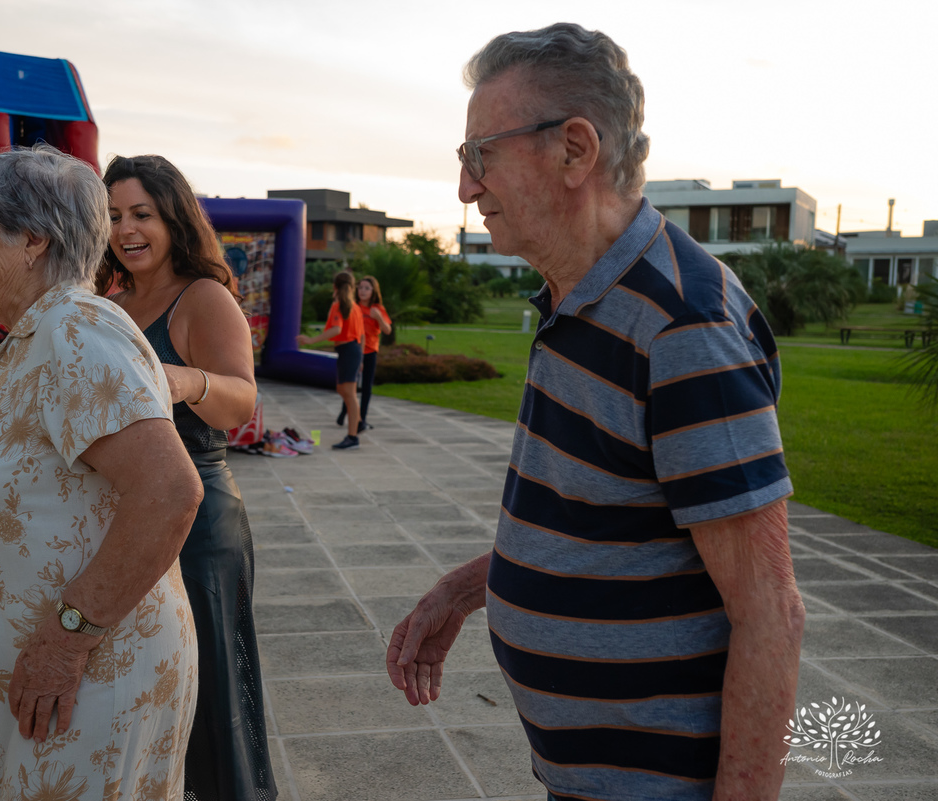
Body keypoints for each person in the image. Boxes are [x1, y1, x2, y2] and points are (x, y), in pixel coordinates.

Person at [387, 23, 805, 801]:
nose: (466, 189)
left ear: (575, 150)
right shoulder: (578, 300)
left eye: (480, 156)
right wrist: (467, 587)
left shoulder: (683, 327)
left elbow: (770, 613)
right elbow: (607, 524)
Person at [0, 145, 204, 800]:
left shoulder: (75, 331)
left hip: (91, 677)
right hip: (60, 671)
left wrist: (65, 641)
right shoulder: (33, 337)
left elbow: (169, 491)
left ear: (32, 238)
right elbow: (38, 513)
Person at [96, 154, 277, 801]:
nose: (127, 229)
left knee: (214, 689)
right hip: (129, 518)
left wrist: (182, 380)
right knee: (151, 683)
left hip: (201, 524)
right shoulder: (110, 301)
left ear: (172, 215)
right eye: (114, 215)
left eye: (141, 213)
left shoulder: (205, 296)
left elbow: (241, 401)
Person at [298, 271, 364, 450]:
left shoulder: (340, 305)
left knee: (349, 394)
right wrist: (361, 356)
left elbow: (336, 329)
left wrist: (312, 340)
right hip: (351, 350)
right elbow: (362, 334)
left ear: (334, 286)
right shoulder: (353, 306)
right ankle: (357, 422)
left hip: (350, 350)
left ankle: (353, 436)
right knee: (342, 389)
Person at [336, 275, 392, 432]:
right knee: (349, 385)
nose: (363, 291)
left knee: (366, 387)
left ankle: (362, 420)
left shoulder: (377, 309)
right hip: (354, 350)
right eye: (360, 287)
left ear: (374, 291)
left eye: (367, 288)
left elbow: (387, 330)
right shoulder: (353, 307)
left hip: (370, 352)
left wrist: (379, 318)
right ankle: (344, 412)